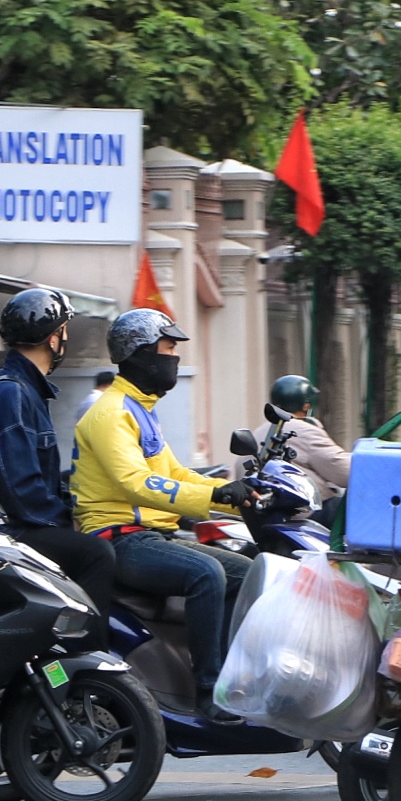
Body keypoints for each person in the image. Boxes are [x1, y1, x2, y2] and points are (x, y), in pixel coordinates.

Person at [73, 309, 256, 721]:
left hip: (150, 535)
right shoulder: (111, 413)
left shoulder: (140, 410)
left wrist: (236, 497)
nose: (174, 357)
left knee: (245, 572)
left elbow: (175, 474)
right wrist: (214, 495)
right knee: (206, 574)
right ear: (141, 354)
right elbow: (135, 482)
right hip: (120, 538)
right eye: (168, 348)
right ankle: (208, 691)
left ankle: (230, 679)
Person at [0, 288, 118, 649]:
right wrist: (66, 520)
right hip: (15, 530)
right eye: (64, 330)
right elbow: (19, 489)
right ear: (53, 337)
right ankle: (85, 655)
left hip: (25, 523)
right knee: (96, 554)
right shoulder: (11, 393)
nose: (64, 339)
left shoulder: (27, 391)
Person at [252, 374, 351, 512]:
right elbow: (344, 472)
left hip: (260, 509)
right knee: (353, 506)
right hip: (299, 512)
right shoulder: (304, 430)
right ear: (306, 405)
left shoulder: (259, 431)